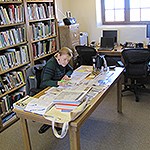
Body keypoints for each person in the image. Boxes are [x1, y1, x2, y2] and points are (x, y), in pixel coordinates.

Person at [39, 47, 73, 134]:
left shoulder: (63, 62)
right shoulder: (51, 64)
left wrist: (67, 75)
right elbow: (45, 81)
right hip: (48, 88)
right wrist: (58, 83)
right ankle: (51, 121)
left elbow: (70, 69)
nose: (66, 62)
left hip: (59, 86)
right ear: (58, 55)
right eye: (64, 59)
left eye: (68, 60)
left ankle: (60, 119)